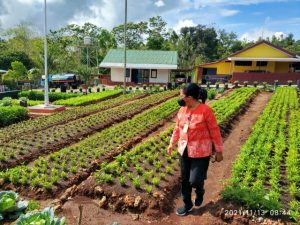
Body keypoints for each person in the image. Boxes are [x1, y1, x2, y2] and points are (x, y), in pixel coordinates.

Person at [167, 83, 224, 216]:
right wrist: (172, 143)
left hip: (201, 152)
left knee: (195, 180)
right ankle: (187, 204)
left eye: (182, 95)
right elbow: (177, 128)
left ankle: (200, 191)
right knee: (185, 179)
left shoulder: (206, 111)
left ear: (190, 97)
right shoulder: (182, 110)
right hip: (184, 150)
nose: (180, 97)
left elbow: (215, 131)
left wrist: (219, 151)